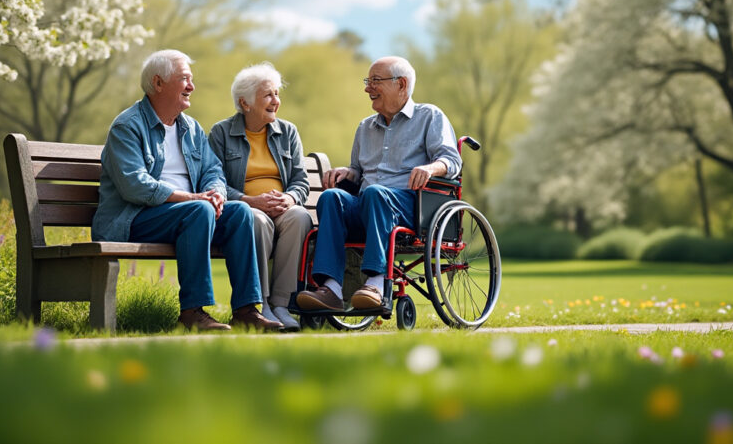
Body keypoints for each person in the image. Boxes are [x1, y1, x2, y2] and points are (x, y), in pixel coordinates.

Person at [92, 49, 283, 331]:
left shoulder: (191, 129)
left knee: (240, 211)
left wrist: (215, 192)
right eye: (184, 79)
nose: (192, 86)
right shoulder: (128, 126)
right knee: (199, 209)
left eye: (191, 79)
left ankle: (246, 310)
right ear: (158, 83)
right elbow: (135, 186)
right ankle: (193, 312)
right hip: (135, 218)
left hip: (189, 216)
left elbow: (212, 171)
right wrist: (194, 198)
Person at [295, 56, 462, 311]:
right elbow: (358, 171)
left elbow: (451, 160)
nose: (367, 88)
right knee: (331, 197)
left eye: (375, 81)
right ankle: (331, 289)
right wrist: (347, 172)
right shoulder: (365, 127)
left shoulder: (429, 116)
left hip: (411, 206)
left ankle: (376, 283)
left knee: (375, 193)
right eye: (367, 81)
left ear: (401, 84)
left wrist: (430, 167)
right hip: (368, 203)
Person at [209, 62, 313, 331]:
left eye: (277, 94)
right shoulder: (221, 133)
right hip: (245, 210)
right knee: (256, 220)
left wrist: (289, 198)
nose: (276, 101)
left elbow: (301, 180)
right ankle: (261, 304)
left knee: (299, 217)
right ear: (245, 103)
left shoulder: (287, 132)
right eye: (268, 95)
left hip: (281, 208)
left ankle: (281, 304)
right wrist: (249, 200)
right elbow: (214, 181)